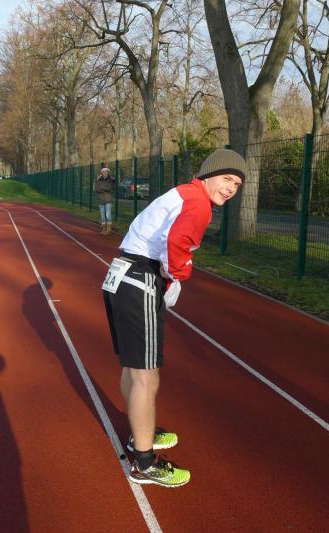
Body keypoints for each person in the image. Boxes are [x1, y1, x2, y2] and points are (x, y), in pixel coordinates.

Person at [102, 149, 246, 488]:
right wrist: (178, 277)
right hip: (140, 278)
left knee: (132, 366)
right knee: (146, 376)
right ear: (208, 175)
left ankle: (139, 432)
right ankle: (144, 463)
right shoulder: (198, 204)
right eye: (226, 179)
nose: (230, 188)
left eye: (237, 184)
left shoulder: (183, 193)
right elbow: (177, 242)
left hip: (121, 273)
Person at [94, 167, 115, 235]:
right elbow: (96, 189)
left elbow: (109, 188)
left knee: (108, 215)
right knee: (102, 216)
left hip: (108, 199)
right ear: (102, 173)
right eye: (103, 172)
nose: (105, 173)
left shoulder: (110, 180)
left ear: (108, 173)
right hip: (101, 199)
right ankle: (104, 228)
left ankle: (109, 230)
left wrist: (101, 188)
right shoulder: (98, 180)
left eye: (106, 172)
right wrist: (103, 188)